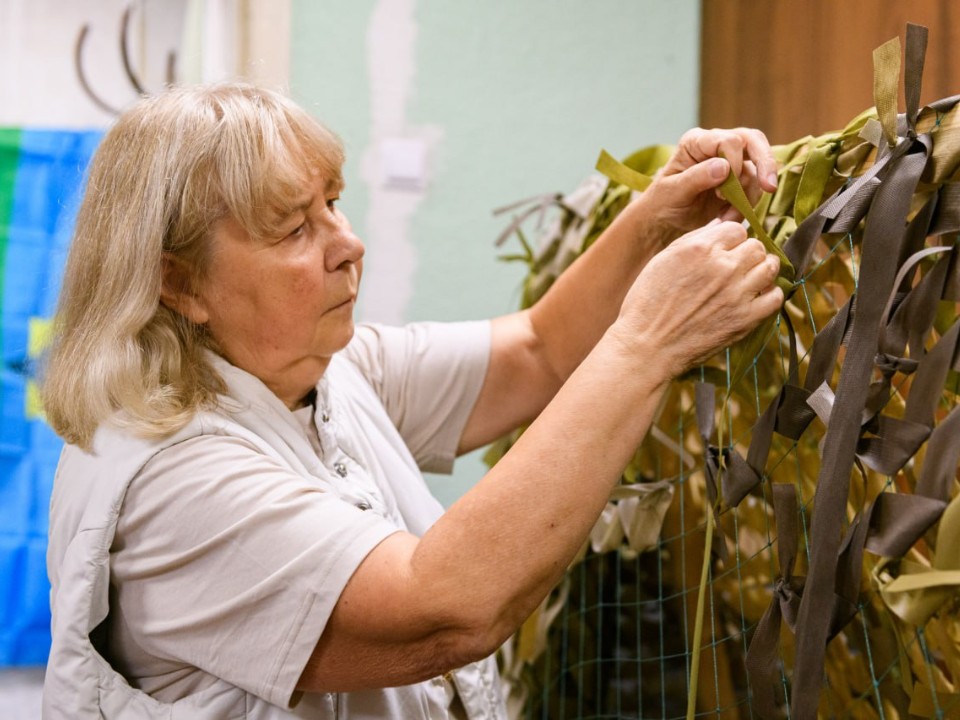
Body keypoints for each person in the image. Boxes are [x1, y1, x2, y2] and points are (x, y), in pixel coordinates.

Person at [40, 83, 782, 719]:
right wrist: (648, 342)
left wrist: (655, 218)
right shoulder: (173, 481)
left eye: (333, 203)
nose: (348, 244)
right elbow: (447, 610)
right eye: (294, 229)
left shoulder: (323, 371)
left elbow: (539, 351)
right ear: (179, 282)